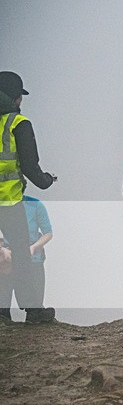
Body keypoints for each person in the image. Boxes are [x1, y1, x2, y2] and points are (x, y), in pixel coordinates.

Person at [0, 71, 57, 324]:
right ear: (16, 98)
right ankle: (33, 311)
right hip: (9, 202)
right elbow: (30, 167)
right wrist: (46, 181)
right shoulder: (18, 123)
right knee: (21, 252)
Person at [0, 195, 53, 321]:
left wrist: (34, 248)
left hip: (33, 258)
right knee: (3, 306)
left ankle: (35, 316)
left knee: (34, 306)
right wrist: (3, 250)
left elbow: (48, 233)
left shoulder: (35, 205)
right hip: (9, 258)